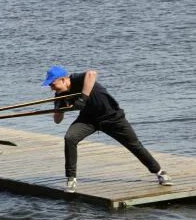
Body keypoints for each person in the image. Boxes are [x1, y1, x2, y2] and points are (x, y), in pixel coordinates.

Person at [42, 65, 172, 193]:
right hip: (89, 120)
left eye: (53, 84)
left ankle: (159, 172)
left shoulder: (77, 79)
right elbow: (57, 121)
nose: (52, 88)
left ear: (63, 80)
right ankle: (71, 179)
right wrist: (60, 110)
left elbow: (92, 73)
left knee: (134, 145)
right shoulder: (59, 95)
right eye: (50, 86)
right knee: (70, 138)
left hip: (112, 117)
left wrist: (83, 98)